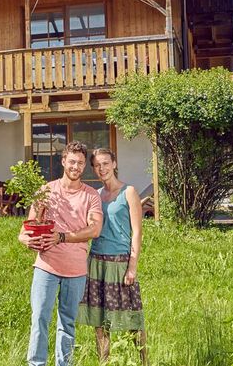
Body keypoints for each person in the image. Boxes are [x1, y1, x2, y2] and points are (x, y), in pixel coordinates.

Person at [18, 141, 103, 366]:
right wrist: (28, 241)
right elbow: (25, 231)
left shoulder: (91, 195)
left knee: (67, 323)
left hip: (76, 270)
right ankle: (36, 364)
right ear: (63, 161)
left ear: (85, 166)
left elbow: (94, 229)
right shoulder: (46, 191)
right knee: (39, 319)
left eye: (81, 163)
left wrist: (62, 236)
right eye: (72, 161)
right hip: (46, 266)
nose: (76, 166)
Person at [79, 148, 147, 364]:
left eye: (106, 163)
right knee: (100, 321)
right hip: (97, 261)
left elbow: (137, 232)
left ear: (115, 164)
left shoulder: (129, 192)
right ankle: (104, 361)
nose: (102, 168)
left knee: (132, 319)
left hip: (120, 262)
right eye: (98, 165)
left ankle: (144, 360)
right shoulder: (96, 196)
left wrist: (132, 266)